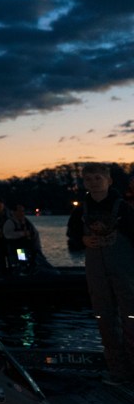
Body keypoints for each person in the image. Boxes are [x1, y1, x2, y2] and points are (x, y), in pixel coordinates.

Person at [66, 163, 134, 386]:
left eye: (98, 178)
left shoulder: (124, 208)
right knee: (105, 321)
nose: (94, 183)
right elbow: (73, 240)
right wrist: (83, 240)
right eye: (89, 179)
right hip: (96, 275)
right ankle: (118, 372)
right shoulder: (80, 211)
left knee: (131, 321)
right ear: (84, 183)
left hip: (126, 274)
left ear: (109, 181)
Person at [2, 203, 41, 272]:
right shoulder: (10, 222)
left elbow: (34, 233)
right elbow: (7, 235)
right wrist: (23, 233)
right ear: (14, 212)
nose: (22, 213)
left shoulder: (26, 222)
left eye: (23, 211)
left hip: (27, 248)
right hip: (17, 249)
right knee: (20, 263)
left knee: (29, 262)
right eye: (19, 211)